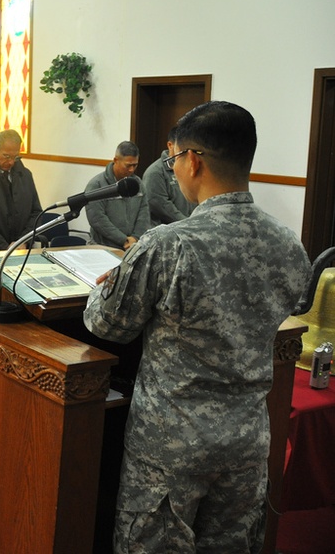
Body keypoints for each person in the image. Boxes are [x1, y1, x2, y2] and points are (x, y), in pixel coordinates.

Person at [83, 101, 311, 552]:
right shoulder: (288, 244)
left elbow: (107, 324)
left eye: (172, 160)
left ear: (192, 160)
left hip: (170, 445)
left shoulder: (169, 244)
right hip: (247, 441)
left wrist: (106, 286)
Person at [85, 141, 151, 250]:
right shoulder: (97, 185)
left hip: (132, 245)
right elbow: (97, 219)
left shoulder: (137, 183)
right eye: (128, 165)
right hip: (103, 247)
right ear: (116, 160)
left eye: (135, 165)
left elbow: (144, 212)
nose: (132, 169)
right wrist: (123, 239)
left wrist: (135, 237)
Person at [143, 126, 197, 225]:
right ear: (170, 145)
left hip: (189, 226)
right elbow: (160, 205)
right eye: (182, 146)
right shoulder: (155, 172)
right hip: (167, 230)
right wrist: (187, 223)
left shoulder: (190, 166)